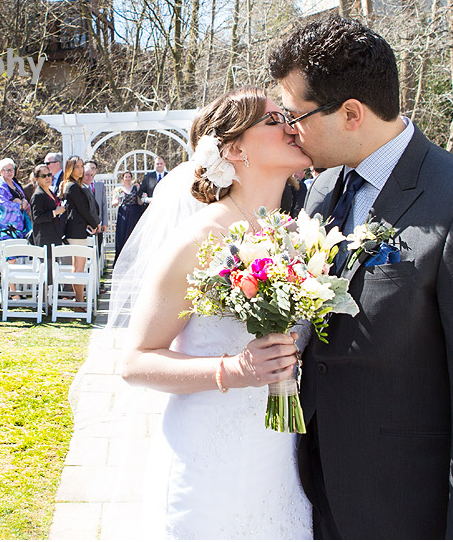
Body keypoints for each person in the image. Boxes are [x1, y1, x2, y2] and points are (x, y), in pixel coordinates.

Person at [269, 15, 453, 539]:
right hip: (315, 494)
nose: (287, 129)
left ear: (350, 113)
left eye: (294, 115)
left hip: (405, 507)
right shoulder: (322, 192)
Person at [115, 88, 315, 539]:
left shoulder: (295, 235)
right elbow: (134, 362)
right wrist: (236, 368)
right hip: (210, 455)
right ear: (233, 149)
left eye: (288, 116)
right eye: (272, 120)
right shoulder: (199, 239)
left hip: (277, 456)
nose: (291, 125)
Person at [60, 156, 97, 306]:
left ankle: (79, 299)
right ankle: (80, 301)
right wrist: (95, 223)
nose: (81, 170)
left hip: (77, 229)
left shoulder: (74, 185)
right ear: (70, 168)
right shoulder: (72, 186)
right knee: (79, 266)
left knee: (78, 266)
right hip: (76, 229)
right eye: (77, 167)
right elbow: (83, 208)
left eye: (82, 166)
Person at [30, 164, 66, 253]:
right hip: (45, 238)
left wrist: (60, 197)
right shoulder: (38, 195)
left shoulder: (50, 191)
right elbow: (37, 218)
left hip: (55, 235)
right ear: (37, 178)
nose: (47, 178)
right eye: (43, 176)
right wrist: (54, 212)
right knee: (48, 266)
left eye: (49, 175)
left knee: (55, 265)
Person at [0, 158, 31, 239]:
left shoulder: (15, 184)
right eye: (6, 170)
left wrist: (25, 203)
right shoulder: (0, 186)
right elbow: (2, 204)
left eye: (12, 170)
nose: (9, 172)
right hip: (6, 228)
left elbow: (23, 199)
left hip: (20, 227)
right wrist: (18, 206)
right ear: (0, 171)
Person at [112, 170, 144, 266]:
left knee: (133, 235)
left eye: (129, 176)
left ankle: (134, 260)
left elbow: (140, 202)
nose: (128, 178)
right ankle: (121, 260)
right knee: (123, 235)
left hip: (135, 213)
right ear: (123, 178)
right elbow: (114, 203)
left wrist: (144, 197)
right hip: (124, 213)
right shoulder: (118, 189)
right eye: (126, 177)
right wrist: (117, 200)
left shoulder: (135, 188)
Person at [83, 159, 108, 259]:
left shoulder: (100, 185)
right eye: (88, 168)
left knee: (97, 249)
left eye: (93, 168)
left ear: (96, 170)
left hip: (99, 222)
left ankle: (96, 272)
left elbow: (104, 204)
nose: (91, 171)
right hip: (86, 224)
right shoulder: (81, 186)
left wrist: (105, 222)